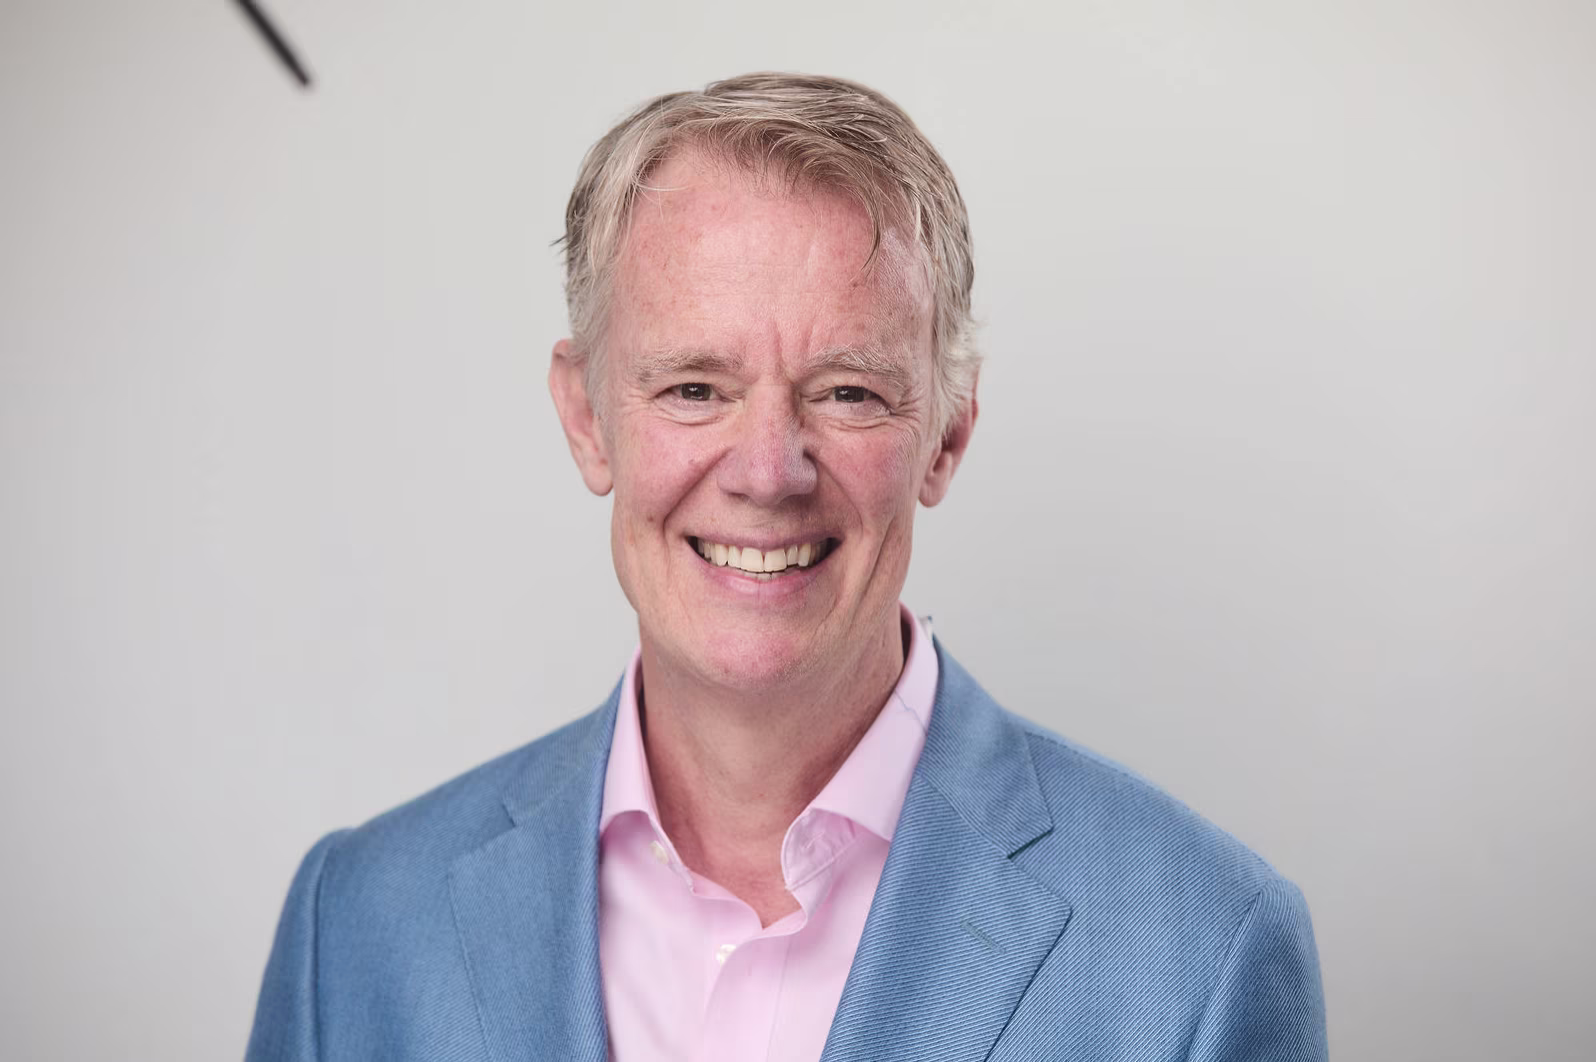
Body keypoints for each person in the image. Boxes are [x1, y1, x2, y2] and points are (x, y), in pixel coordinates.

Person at [246, 72, 1327, 1062]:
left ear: (947, 433)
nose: (768, 472)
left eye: (848, 391)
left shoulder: (1203, 954)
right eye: (693, 389)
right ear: (586, 418)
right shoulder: (357, 926)